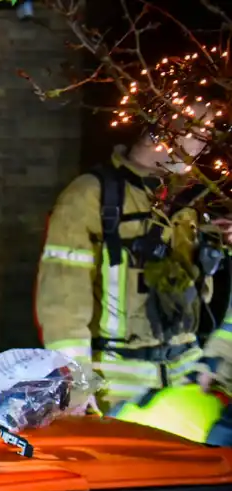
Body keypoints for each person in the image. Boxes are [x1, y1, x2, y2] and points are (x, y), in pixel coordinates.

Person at [35, 100, 232, 413]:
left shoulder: (191, 203)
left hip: (186, 384)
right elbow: (62, 304)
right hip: (115, 389)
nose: (204, 151)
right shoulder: (90, 197)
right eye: (201, 136)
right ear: (165, 134)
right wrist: (78, 385)